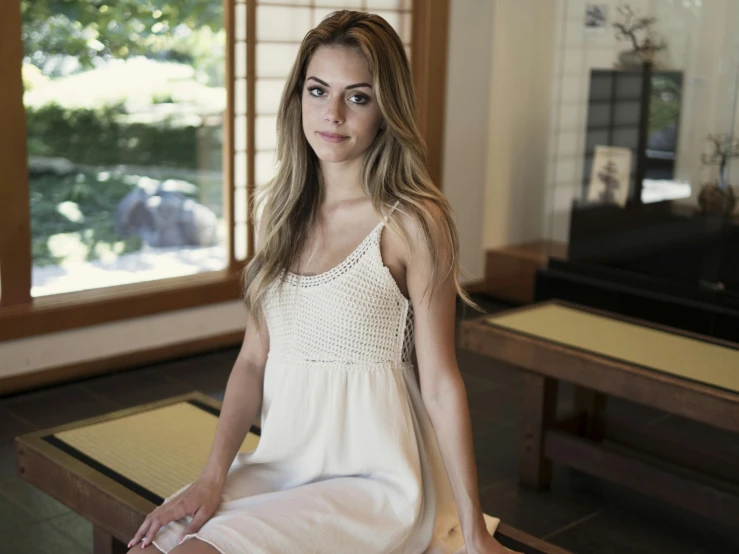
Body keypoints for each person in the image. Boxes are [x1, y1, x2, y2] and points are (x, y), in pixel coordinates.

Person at [127, 10, 516, 554]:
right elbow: (253, 360)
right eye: (318, 90)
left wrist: (474, 534)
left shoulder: (412, 222)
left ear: (387, 110)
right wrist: (212, 476)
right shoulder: (281, 215)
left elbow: (442, 384)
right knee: (154, 544)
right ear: (298, 98)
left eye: (357, 97)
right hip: (284, 464)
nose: (331, 114)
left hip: (377, 482)